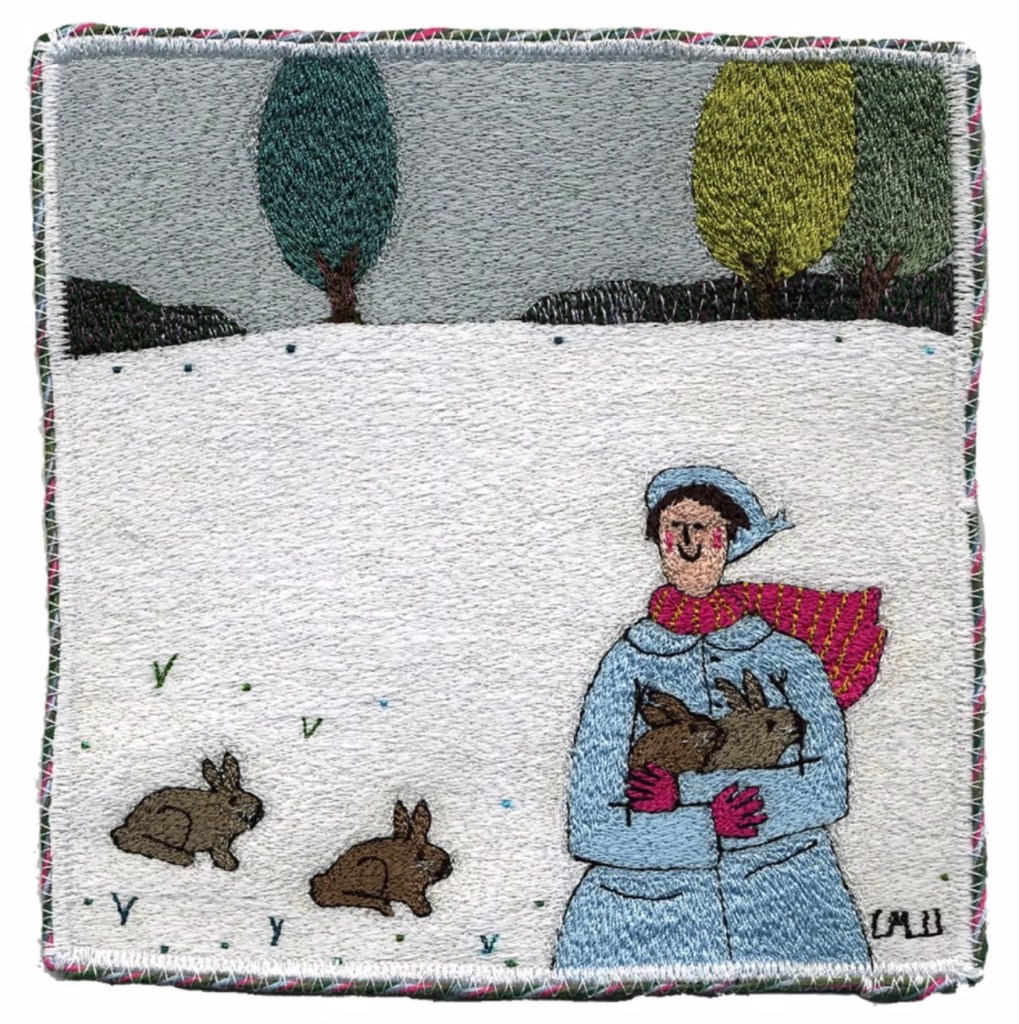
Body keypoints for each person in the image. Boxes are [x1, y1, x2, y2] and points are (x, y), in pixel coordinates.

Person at [554, 466, 885, 970]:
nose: (689, 542)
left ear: (729, 540)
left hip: (788, 898)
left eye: (704, 529)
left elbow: (826, 790)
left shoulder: (787, 657)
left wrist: (686, 798)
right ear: (658, 540)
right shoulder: (626, 665)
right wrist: (702, 827)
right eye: (675, 528)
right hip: (649, 915)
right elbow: (591, 825)